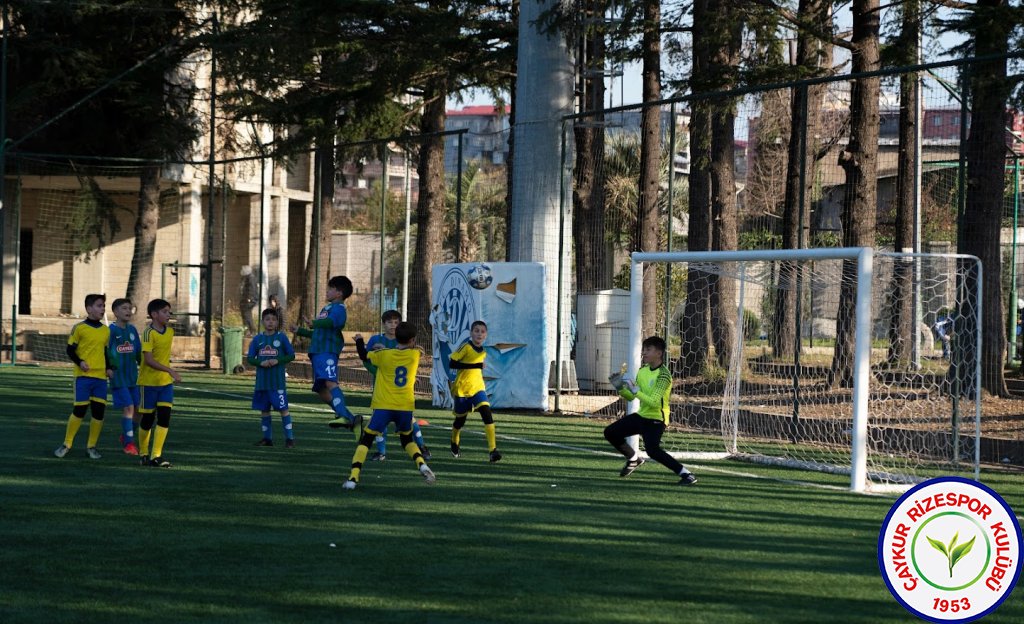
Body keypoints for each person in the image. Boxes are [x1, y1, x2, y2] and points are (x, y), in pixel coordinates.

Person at [343, 322, 435, 490]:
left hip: (383, 405)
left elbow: (364, 356)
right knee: (407, 440)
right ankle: (421, 464)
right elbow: (418, 349)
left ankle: (353, 478)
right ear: (412, 340)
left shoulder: (384, 354)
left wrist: (359, 340)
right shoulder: (415, 355)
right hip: (405, 407)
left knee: (366, 440)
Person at [604, 335, 697, 486]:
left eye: (648, 349)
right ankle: (634, 459)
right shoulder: (643, 371)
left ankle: (687, 474)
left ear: (659, 353)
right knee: (610, 432)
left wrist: (634, 390)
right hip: (642, 416)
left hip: (656, 419)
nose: (644, 353)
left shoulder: (664, 375)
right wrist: (620, 387)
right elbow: (631, 397)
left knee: (652, 450)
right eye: (643, 349)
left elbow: (654, 402)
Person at [291, 275, 360, 436]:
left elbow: (331, 323)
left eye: (330, 289)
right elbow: (319, 332)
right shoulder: (326, 309)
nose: (327, 291)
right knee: (321, 390)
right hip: (317, 352)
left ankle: (343, 415)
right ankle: (352, 419)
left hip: (327, 352)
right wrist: (300, 331)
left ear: (339, 293)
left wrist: (315, 323)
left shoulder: (339, 309)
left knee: (330, 382)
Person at [361, 309, 430, 461]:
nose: (393, 325)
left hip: (401, 391)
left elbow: (412, 359)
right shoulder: (375, 340)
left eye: (396, 322)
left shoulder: (403, 341)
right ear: (383, 324)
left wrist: (413, 377)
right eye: (389, 322)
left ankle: (422, 447)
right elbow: (366, 360)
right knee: (380, 423)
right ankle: (381, 452)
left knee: (411, 420)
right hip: (383, 388)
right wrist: (378, 372)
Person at [54, 293, 111, 460]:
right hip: (83, 377)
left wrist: (109, 367)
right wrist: (80, 362)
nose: (103, 309)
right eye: (99, 306)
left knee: (99, 412)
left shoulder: (105, 331)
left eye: (103, 306)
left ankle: (91, 447)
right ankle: (67, 444)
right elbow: (70, 350)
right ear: (89, 309)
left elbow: (106, 352)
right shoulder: (79, 328)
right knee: (79, 410)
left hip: (101, 378)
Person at [137, 298, 182, 468]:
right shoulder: (148, 333)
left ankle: (156, 455)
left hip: (165, 384)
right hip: (147, 383)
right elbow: (148, 360)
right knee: (148, 419)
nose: (168, 314)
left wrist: (168, 374)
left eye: (169, 311)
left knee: (164, 417)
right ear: (154, 315)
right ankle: (143, 453)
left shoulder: (170, 332)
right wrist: (170, 370)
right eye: (165, 311)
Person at [448, 320, 501, 462]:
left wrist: (477, 367)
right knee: (460, 420)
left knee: (486, 412)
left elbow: (476, 369)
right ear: (471, 333)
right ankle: (454, 441)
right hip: (462, 389)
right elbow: (452, 363)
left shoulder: (483, 351)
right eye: (476, 331)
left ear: (486, 335)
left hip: (478, 388)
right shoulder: (465, 347)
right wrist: (475, 365)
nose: (479, 334)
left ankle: (493, 450)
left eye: (482, 331)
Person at [248, 307, 297, 447]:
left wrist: (278, 360)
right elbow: (250, 358)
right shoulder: (258, 339)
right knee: (264, 410)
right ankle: (267, 439)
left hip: (277, 383)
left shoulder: (281, 337)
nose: (270, 322)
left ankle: (289, 439)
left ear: (277, 323)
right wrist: (260, 362)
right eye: (268, 319)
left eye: (273, 320)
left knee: (283, 409)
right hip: (262, 382)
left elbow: (291, 355)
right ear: (263, 321)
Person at [108, 297, 142, 455]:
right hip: (118, 378)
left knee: (138, 411)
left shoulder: (133, 330)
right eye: (124, 308)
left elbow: (139, 352)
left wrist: (145, 365)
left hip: (133, 377)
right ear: (115, 312)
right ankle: (129, 444)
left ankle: (125, 434)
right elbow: (105, 351)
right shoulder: (111, 330)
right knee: (128, 408)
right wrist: (108, 367)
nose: (128, 311)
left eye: (130, 308)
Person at [239, 265, 257, 336]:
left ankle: (252, 330)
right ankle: (247, 330)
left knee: (247, 315)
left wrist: (250, 298)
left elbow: (252, 289)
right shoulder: (246, 277)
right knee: (245, 315)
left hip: (249, 300)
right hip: (245, 299)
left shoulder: (251, 278)